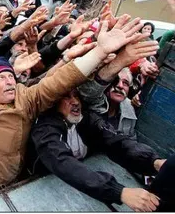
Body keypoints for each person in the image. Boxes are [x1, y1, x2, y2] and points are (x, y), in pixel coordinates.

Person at [0, 11, 147, 210]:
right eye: (2, 78)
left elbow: (59, 82)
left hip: (18, 183)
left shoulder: (26, 98)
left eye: (11, 77)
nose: (10, 82)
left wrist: (99, 52)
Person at [31, 89, 166, 212]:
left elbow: (116, 141)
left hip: (84, 186)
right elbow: (63, 164)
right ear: (53, 101)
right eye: (66, 97)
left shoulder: (88, 118)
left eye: (76, 96)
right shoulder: (44, 129)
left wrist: (153, 162)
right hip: (46, 190)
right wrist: (120, 192)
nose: (75, 102)